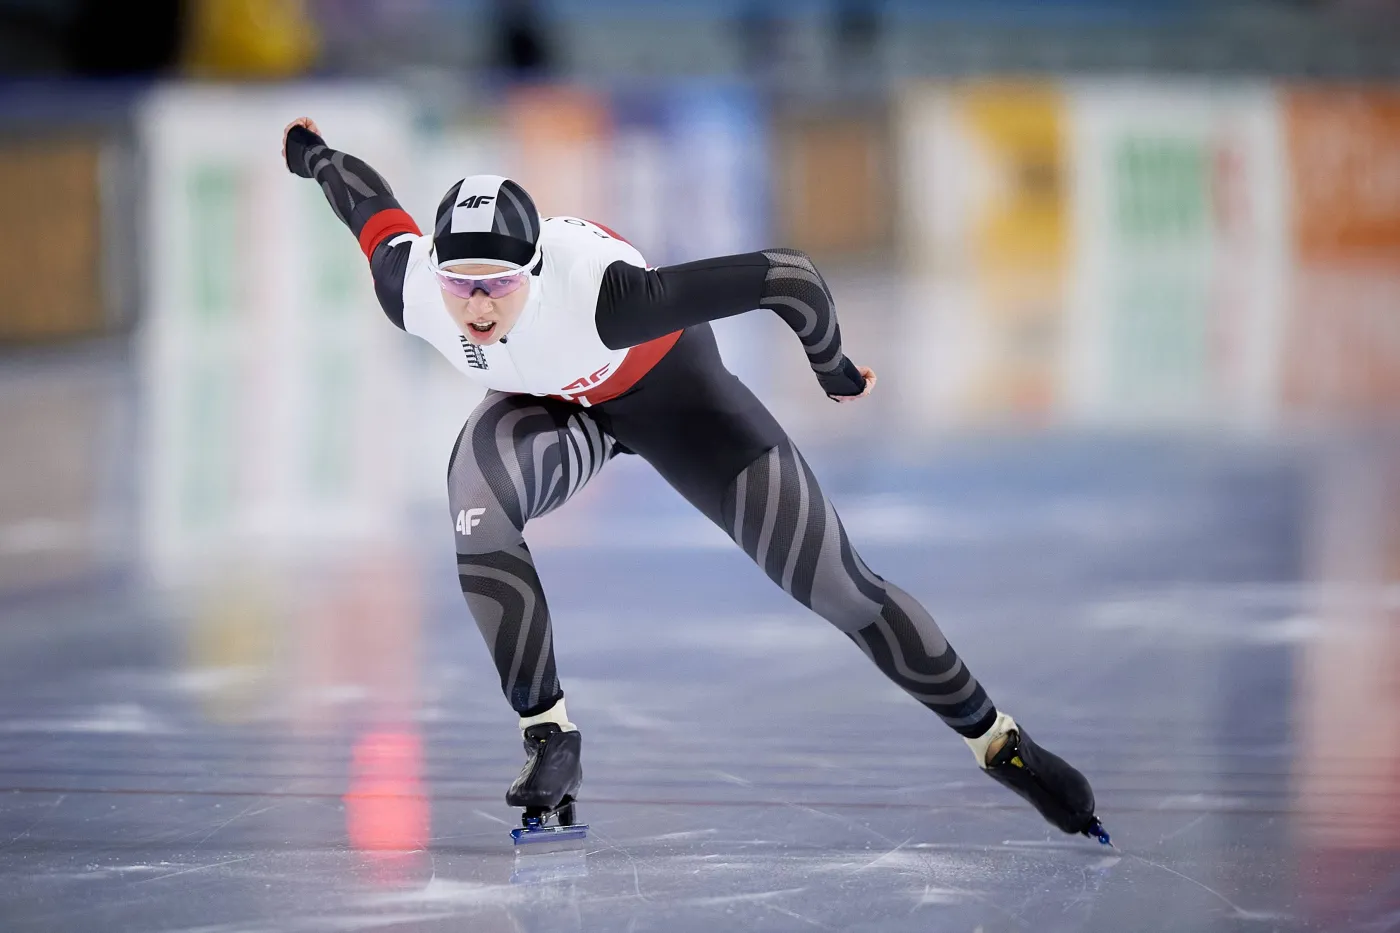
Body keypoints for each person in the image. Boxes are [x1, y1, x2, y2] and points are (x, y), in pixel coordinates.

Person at [281, 117, 1110, 846]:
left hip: (677, 400)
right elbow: (368, 208)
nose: (479, 308)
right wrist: (315, 153)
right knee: (475, 502)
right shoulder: (418, 290)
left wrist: (834, 370)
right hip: (556, 408)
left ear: (535, 270)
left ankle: (1000, 741)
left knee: (841, 589)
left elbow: (785, 276)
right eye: (463, 286)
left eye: (498, 285)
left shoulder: (609, 300)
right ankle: (549, 736)